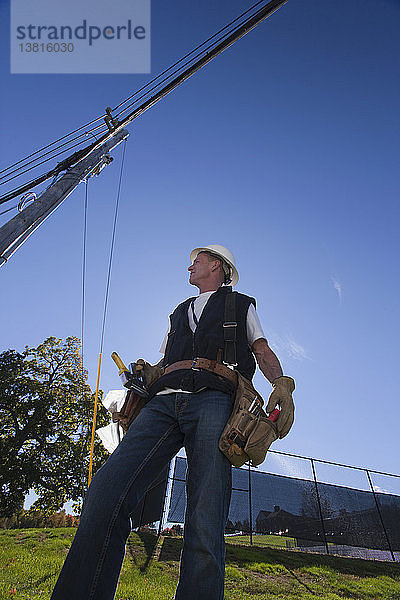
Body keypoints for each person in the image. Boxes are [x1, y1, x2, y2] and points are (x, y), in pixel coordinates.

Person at [51, 244, 295, 600]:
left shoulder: (241, 304)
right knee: (105, 493)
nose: (189, 267)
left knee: (205, 515)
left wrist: (281, 384)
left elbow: (260, 348)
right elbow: (164, 361)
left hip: (215, 398)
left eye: (196, 261)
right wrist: (147, 374)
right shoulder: (178, 312)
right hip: (162, 403)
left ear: (217, 266)